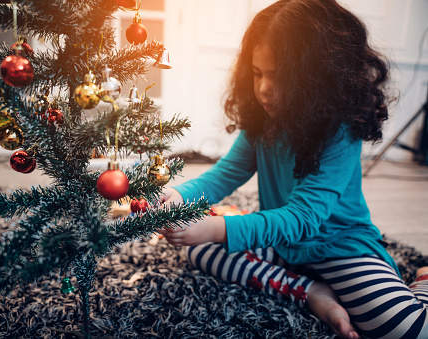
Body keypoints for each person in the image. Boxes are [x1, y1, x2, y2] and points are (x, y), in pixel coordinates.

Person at [158, 1, 428, 338]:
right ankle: (309, 291)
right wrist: (179, 194)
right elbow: (225, 174)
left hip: (339, 247)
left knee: (410, 329)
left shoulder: (341, 129)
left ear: (318, 79)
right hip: (283, 245)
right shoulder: (261, 119)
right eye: (257, 73)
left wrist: (217, 227)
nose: (263, 89)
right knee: (199, 250)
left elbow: (304, 218)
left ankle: (424, 279)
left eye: (279, 76)